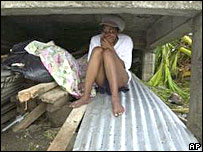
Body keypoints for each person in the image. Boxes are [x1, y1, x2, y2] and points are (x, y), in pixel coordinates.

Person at [70, 15, 133, 117]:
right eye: (105, 31)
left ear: (118, 32)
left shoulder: (126, 40)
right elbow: (91, 64)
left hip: (120, 79)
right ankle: (86, 96)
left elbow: (125, 67)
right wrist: (86, 82)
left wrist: (111, 49)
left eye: (112, 31)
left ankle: (115, 100)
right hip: (102, 79)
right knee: (97, 50)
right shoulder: (95, 39)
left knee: (107, 53)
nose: (108, 34)